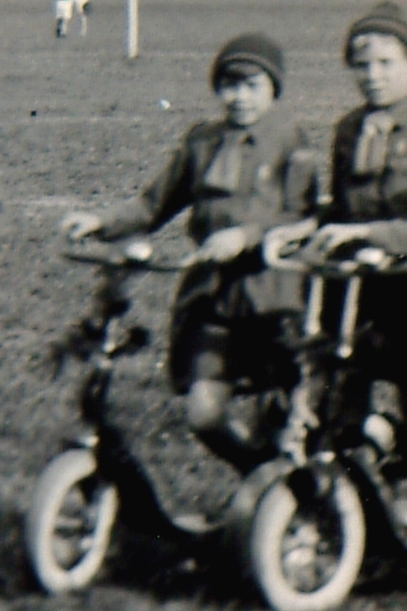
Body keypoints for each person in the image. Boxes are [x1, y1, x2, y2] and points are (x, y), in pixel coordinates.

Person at [263, 2, 407, 537]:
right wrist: (303, 229)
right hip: (352, 288)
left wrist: (380, 236)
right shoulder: (348, 129)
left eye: (385, 63)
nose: (372, 75)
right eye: (361, 65)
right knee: (343, 397)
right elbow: (340, 209)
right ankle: (349, 510)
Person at [63, 32, 314, 467]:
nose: (239, 97)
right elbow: (153, 204)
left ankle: (285, 485)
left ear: (273, 88)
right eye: (229, 86)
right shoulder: (201, 142)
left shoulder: (290, 140)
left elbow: (302, 214)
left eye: (252, 86)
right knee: (203, 414)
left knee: (286, 414)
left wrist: (247, 236)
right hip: (211, 294)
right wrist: (102, 222)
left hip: (272, 295)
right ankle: (258, 476)